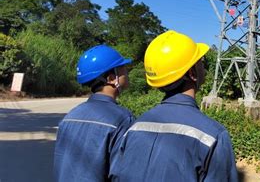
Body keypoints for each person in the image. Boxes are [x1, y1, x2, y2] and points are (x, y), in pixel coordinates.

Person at [110, 30, 238, 182]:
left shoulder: (133, 128)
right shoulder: (214, 136)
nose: (203, 67)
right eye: (200, 62)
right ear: (192, 73)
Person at [54, 45, 134, 182]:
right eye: (123, 69)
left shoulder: (70, 116)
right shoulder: (123, 119)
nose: (127, 73)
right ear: (111, 78)